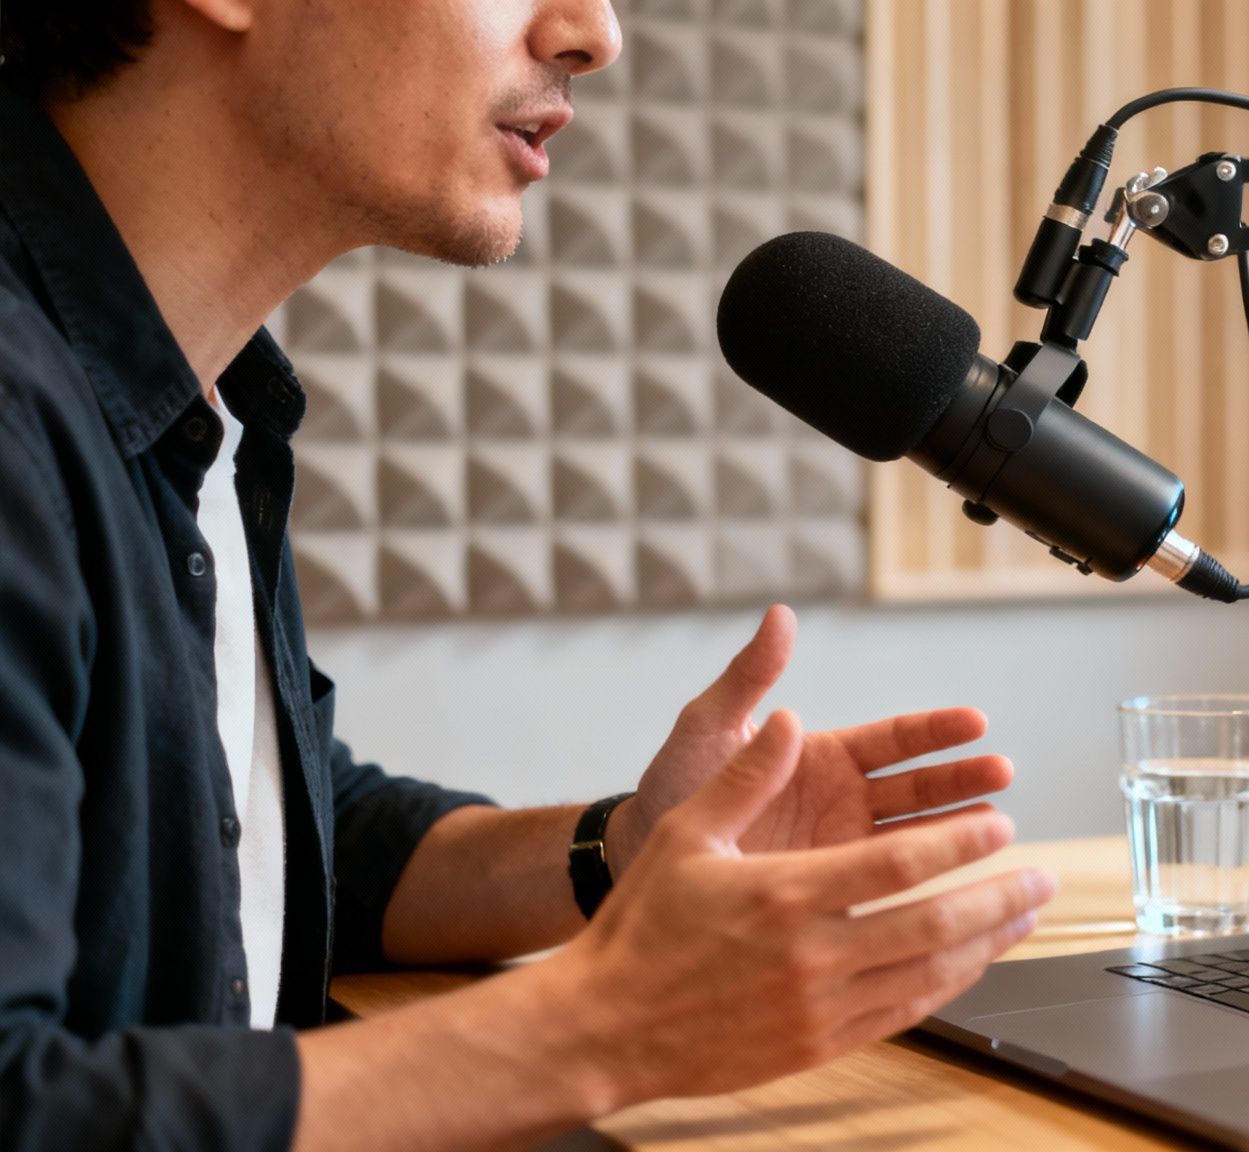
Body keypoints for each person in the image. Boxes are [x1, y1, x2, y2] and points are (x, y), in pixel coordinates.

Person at [0, 1, 1057, 1148]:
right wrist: (611, 1024)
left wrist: (621, 851)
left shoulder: (203, 405)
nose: (592, 32)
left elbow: (275, 836)